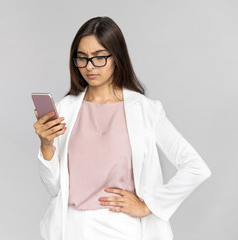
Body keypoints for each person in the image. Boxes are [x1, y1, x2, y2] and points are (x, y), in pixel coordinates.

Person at [33, 16, 211, 240]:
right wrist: (46, 144)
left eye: (98, 58)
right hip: (70, 228)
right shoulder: (65, 109)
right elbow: (55, 188)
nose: (89, 67)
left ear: (116, 58)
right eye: (82, 58)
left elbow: (196, 168)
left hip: (122, 229)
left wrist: (150, 205)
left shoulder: (146, 110)